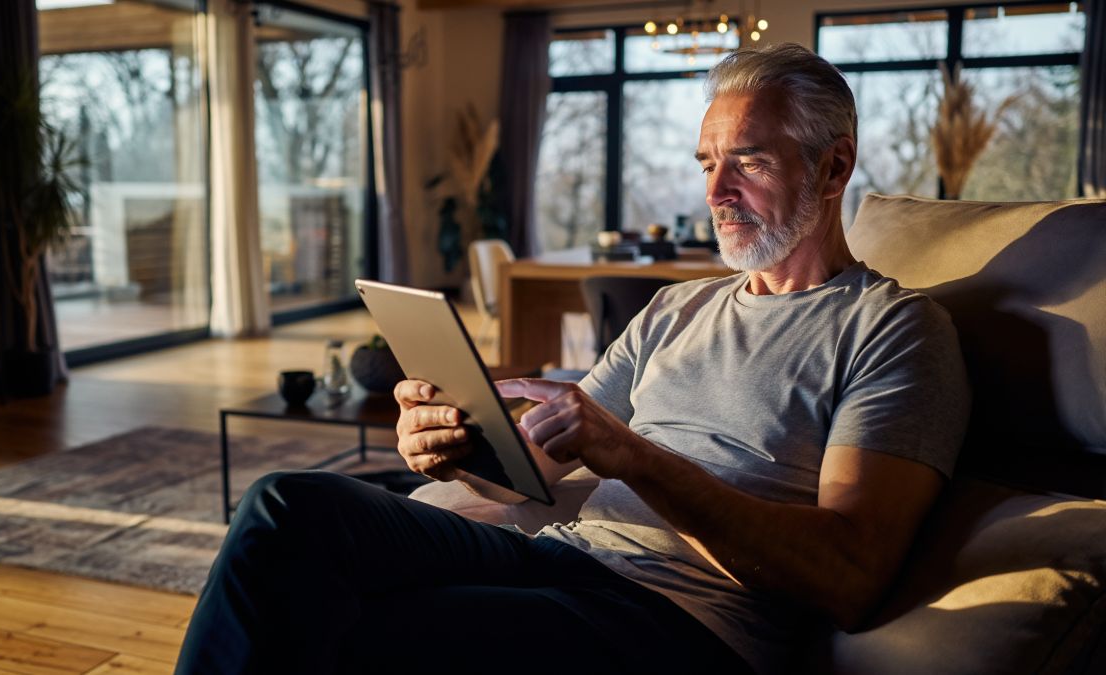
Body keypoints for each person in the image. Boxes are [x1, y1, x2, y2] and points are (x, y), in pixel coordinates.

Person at [175, 43, 969, 675]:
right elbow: (534, 470)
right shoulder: (677, 308)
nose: (716, 192)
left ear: (833, 167)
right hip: (559, 555)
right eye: (707, 163)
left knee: (354, 629)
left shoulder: (893, 329)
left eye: (749, 161)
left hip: (679, 620)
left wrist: (632, 455)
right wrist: (454, 448)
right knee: (288, 508)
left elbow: (848, 576)